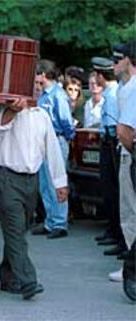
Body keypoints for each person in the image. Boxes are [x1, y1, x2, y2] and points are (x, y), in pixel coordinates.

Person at [0, 94, 68, 299]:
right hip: (6, 177)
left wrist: (60, 182)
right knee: (15, 229)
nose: (35, 89)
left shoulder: (42, 115)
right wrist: (12, 111)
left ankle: (8, 276)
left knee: (18, 231)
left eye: (39, 85)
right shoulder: (1, 110)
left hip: (31, 180)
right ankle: (28, 281)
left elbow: (52, 149)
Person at [32, 59, 75, 239]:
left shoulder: (57, 95)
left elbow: (66, 121)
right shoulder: (44, 94)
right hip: (42, 141)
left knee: (56, 181)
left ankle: (59, 222)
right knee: (44, 183)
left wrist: (67, 137)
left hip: (55, 140)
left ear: (43, 74)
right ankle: (50, 220)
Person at [91, 57, 127, 258]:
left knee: (115, 190)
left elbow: (114, 125)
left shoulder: (113, 94)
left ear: (100, 75)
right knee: (109, 190)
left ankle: (119, 235)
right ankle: (113, 231)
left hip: (112, 143)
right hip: (108, 141)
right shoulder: (113, 91)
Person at [110, 41, 136, 299]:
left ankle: (131, 266)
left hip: (130, 155)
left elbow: (124, 130)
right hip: (129, 154)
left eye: (118, 60)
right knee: (130, 211)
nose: (115, 64)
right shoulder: (126, 88)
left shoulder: (132, 88)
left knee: (131, 212)